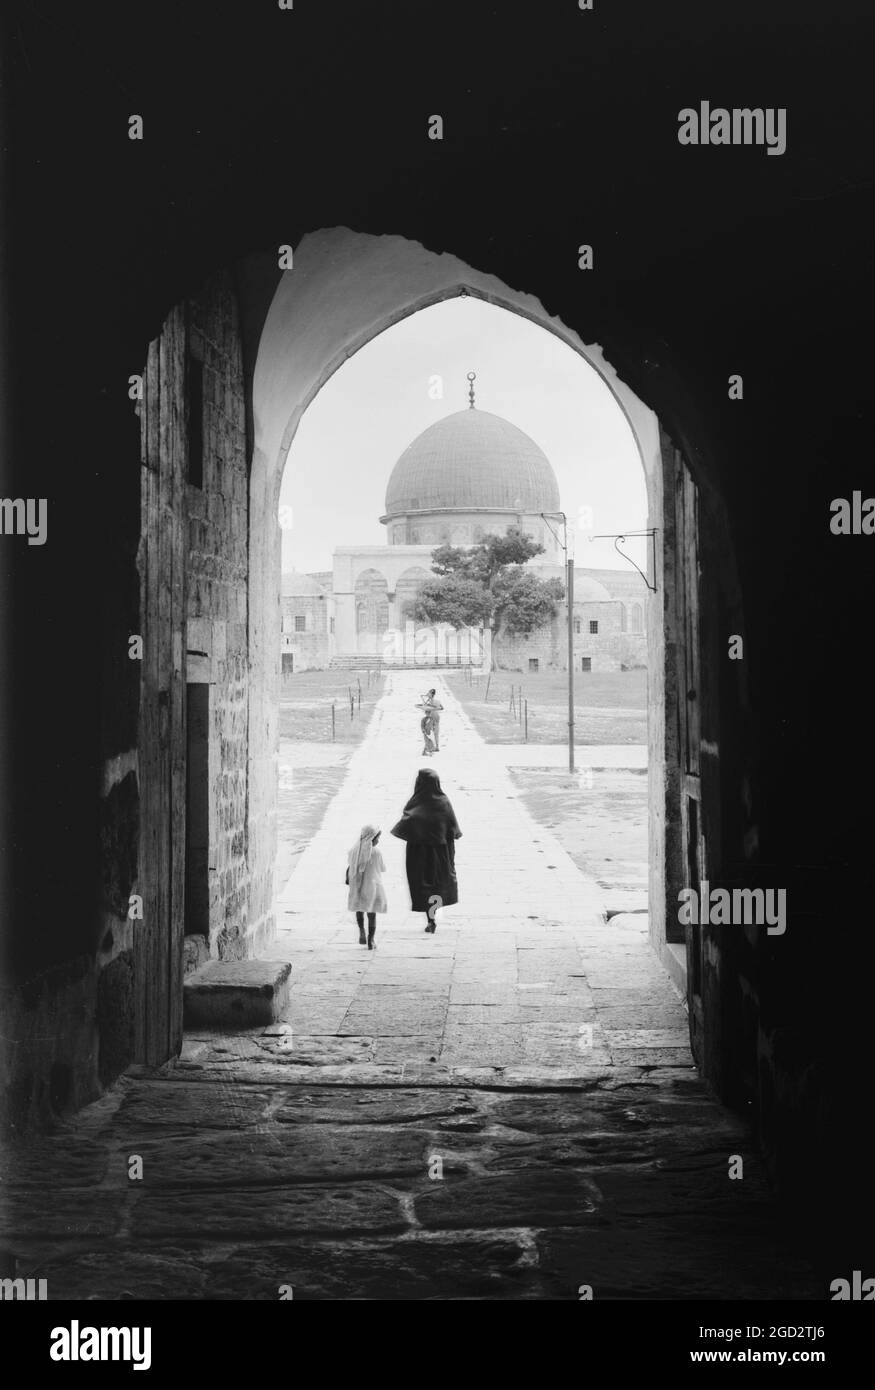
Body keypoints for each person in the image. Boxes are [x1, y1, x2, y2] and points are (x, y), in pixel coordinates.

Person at [390, 768, 461, 933]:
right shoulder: (444, 802)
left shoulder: (415, 803)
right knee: (436, 885)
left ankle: (431, 919)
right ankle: (432, 917)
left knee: (423, 885)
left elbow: (408, 822)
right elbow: (452, 829)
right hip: (440, 854)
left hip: (420, 855)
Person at [346, 824, 386, 950]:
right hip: (372, 885)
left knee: (359, 908)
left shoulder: (353, 850)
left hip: (357, 885)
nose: (378, 840)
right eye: (377, 838)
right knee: (372, 913)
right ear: (372, 838)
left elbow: (350, 866)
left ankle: (361, 931)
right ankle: (371, 939)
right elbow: (382, 868)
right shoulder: (376, 852)